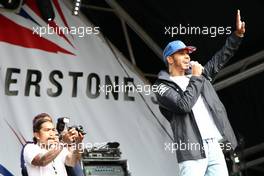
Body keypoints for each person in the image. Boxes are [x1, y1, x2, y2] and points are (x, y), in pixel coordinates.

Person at [154, 10, 245, 176]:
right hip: (191, 149)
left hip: (214, 146)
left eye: (188, 53)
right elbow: (183, 105)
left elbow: (220, 59)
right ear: (170, 59)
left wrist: (236, 36)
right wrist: (196, 77)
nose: (187, 57)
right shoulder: (161, 86)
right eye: (182, 53)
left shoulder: (199, 76)